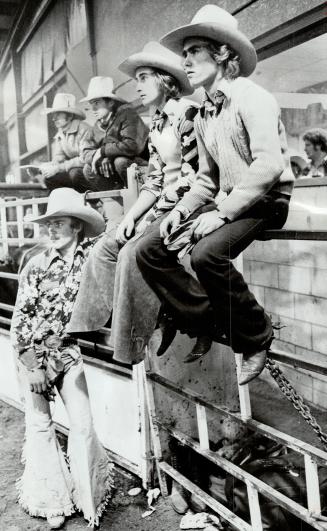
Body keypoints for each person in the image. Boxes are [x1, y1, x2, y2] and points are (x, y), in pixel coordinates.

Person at [135, 5, 294, 385]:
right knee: (149, 249)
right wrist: (185, 208)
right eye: (184, 54)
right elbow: (206, 177)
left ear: (222, 53)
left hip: (267, 200)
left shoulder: (252, 97)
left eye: (193, 52)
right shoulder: (204, 112)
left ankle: (257, 333)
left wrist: (220, 214)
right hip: (228, 199)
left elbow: (268, 165)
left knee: (207, 253)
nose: (185, 61)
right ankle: (209, 319)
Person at [67, 41, 211, 363]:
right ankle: (96, 324)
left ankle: (133, 342)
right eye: (138, 79)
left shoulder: (187, 114)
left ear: (164, 79)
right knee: (106, 246)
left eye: (144, 77)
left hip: (191, 203)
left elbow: (194, 176)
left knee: (132, 251)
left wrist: (153, 215)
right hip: (165, 203)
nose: (138, 85)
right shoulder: (157, 121)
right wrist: (133, 215)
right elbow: (156, 180)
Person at [11, 188, 114, 529]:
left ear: (76, 228)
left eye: (59, 224)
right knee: (41, 426)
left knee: (82, 424)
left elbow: (114, 242)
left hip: (69, 354)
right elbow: (21, 324)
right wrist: (32, 366)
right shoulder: (36, 265)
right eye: (49, 225)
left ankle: (90, 499)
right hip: (33, 354)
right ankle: (52, 502)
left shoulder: (90, 260)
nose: (51, 230)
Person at [80, 76, 149, 191]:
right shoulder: (96, 127)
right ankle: (116, 200)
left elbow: (132, 146)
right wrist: (100, 159)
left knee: (120, 162)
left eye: (97, 103)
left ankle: (140, 195)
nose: (93, 108)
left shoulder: (128, 114)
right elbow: (85, 153)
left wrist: (103, 152)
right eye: (91, 104)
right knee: (88, 169)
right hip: (116, 169)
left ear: (111, 102)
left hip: (142, 166)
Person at [39, 93, 92, 192]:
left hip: (90, 171)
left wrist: (58, 168)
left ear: (70, 115)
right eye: (53, 114)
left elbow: (85, 159)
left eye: (58, 114)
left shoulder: (83, 129)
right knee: (50, 179)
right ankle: (64, 204)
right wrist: (46, 167)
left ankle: (92, 203)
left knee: (74, 173)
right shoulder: (61, 133)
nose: (54, 118)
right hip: (73, 171)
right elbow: (58, 158)